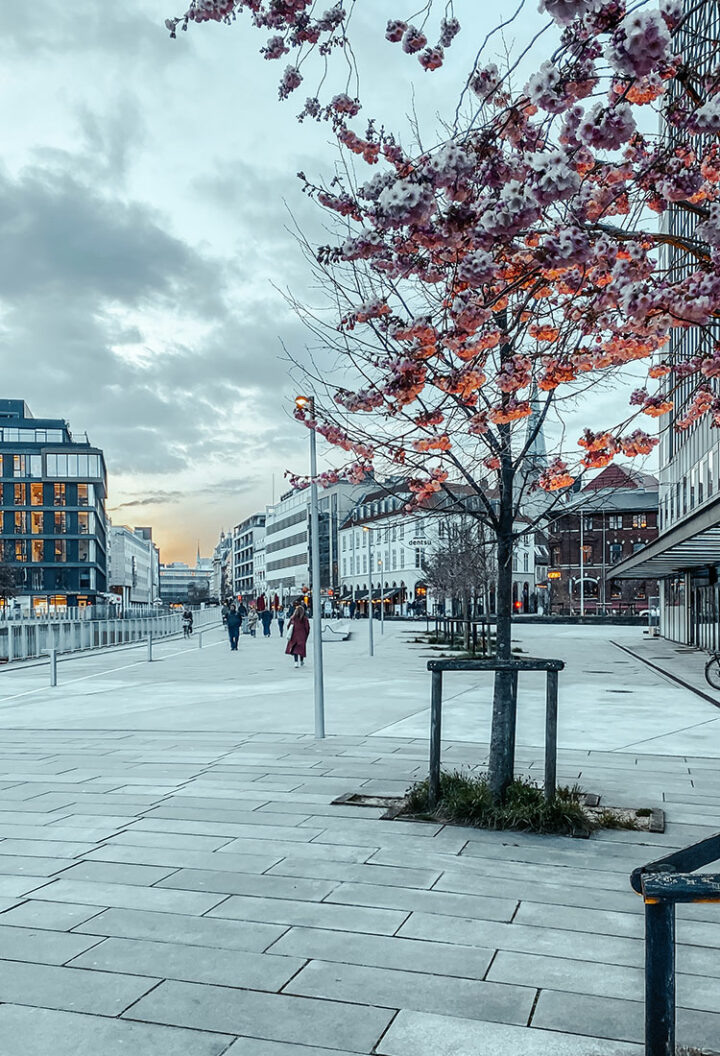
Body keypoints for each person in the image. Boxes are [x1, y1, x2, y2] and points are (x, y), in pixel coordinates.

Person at [285, 603, 310, 668]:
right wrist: (306, 635)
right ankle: (301, 661)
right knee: (301, 649)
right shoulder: (304, 619)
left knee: (295, 649)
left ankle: (296, 662)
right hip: (302, 636)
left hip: (294, 636)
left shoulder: (293, 618)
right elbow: (307, 628)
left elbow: (288, 626)